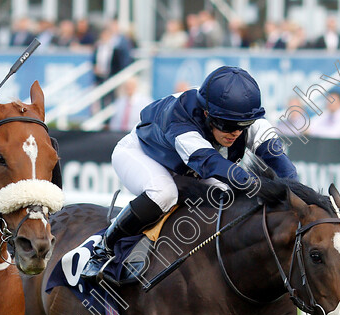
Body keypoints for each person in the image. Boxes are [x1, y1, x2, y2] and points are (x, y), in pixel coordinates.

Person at [82, 66, 298, 280]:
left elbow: (281, 163)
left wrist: (297, 193)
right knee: (164, 193)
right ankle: (104, 248)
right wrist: (262, 187)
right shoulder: (180, 117)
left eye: (243, 125)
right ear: (207, 114)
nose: (236, 132)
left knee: (228, 199)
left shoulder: (242, 115)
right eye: (227, 125)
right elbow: (210, 164)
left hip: (189, 168)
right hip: (141, 153)